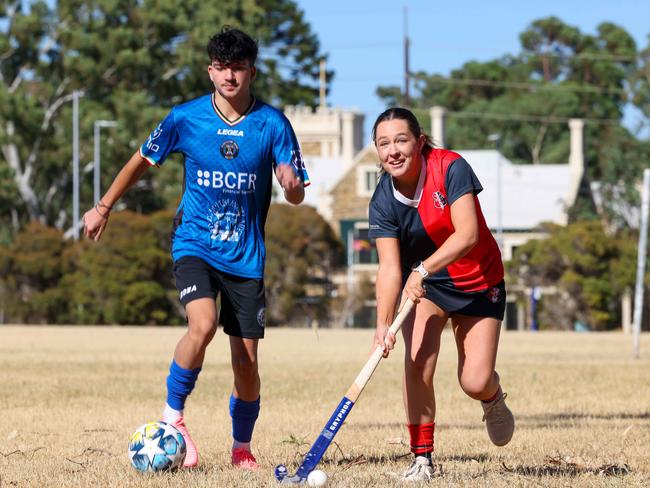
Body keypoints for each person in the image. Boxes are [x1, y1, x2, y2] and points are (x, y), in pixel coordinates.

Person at [83, 27, 309, 470]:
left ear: (252, 72)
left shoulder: (273, 124)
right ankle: (173, 420)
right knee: (201, 325)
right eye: (222, 67)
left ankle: (241, 448)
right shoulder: (185, 118)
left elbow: (296, 189)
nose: (230, 76)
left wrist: (292, 185)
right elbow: (140, 161)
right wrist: (104, 206)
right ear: (210, 71)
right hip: (195, 244)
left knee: (245, 364)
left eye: (238, 68)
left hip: (246, 257)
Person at [368, 107, 514, 482]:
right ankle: (422, 457)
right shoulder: (383, 198)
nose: (393, 151)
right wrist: (382, 326)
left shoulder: (451, 168)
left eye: (401, 140)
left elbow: (467, 235)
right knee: (416, 361)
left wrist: (422, 269)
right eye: (383, 144)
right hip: (429, 286)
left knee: (475, 380)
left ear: (420, 142)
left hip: (478, 280)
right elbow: (388, 268)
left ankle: (492, 397)